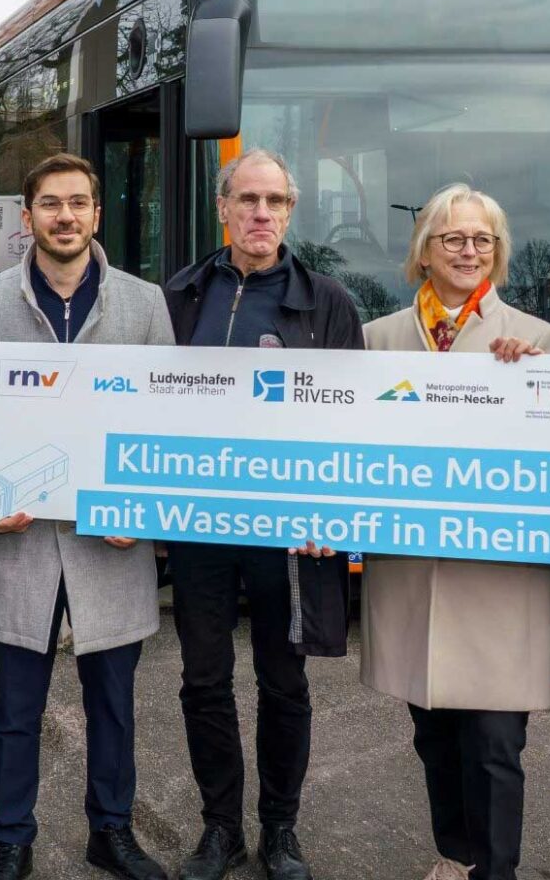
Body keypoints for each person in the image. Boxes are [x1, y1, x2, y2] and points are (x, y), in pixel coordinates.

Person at [0, 153, 176, 880]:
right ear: (27, 219)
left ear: (98, 215)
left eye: (78, 203)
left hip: (111, 544)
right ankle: (10, 836)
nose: (66, 216)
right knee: (16, 709)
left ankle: (111, 832)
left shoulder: (143, 306)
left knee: (113, 705)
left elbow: (165, 424)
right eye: (50, 204)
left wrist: (140, 511)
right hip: (21, 545)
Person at [160, 149, 364, 880]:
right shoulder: (179, 296)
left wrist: (335, 514)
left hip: (292, 533)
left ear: (290, 211)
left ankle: (280, 830)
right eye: (247, 199)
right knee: (203, 679)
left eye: (275, 201)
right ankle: (220, 829)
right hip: (200, 526)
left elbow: (356, 423)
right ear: (222, 208)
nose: (261, 213)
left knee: (285, 683)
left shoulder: (328, 302)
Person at [358, 184, 550, 880]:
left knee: (495, 741)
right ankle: (457, 856)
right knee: (433, 735)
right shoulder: (378, 338)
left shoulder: (535, 340)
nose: (469, 250)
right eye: (454, 238)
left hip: (498, 582)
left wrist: (539, 387)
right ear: (426, 252)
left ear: (497, 253)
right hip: (414, 575)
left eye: (482, 240)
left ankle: (496, 871)